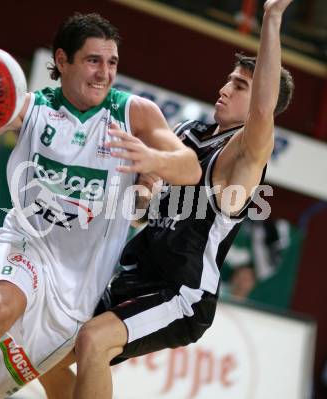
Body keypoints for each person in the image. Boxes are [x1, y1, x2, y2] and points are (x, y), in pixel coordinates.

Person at [0, 13, 201, 399]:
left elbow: (191, 169)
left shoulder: (134, 114)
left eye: (112, 63)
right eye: (93, 60)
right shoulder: (31, 109)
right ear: (62, 61)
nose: (104, 73)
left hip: (80, 284)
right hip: (28, 244)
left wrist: (153, 159)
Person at [70, 1, 295, 398]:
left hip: (181, 293)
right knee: (50, 350)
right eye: (228, 80)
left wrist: (272, 18)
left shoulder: (241, 159)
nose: (224, 89)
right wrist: (140, 190)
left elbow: (262, 109)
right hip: (138, 271)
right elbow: (145, 206)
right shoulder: (188, 131)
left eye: (239, 86)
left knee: (93, 340)